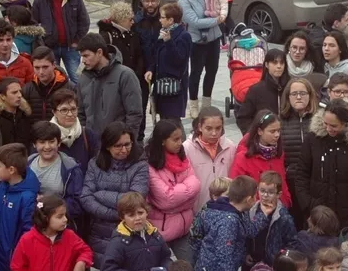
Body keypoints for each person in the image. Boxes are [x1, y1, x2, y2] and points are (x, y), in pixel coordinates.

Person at [294, 99, 348, 226]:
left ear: (345, 123)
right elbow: (301, 174)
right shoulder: (313, 139)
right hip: (317, 213)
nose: (328, 129)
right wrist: (308, 204)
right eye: (325, 124)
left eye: (334, 126)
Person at [80, 122, 149, 261]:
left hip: (130, 231)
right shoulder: (95, 164)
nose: (124, 150)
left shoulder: (140, 166)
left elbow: (134, 200)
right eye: (118, 146)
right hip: (99, 233)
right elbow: (86, 197)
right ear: (108, 146)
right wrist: (118, 213)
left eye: (127, 144)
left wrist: (100, 195)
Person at [101, 192, 173, 271]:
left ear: (146, 212)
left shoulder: (154, 234)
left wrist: (167, 270)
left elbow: (165, 257)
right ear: (122, 218)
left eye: (140, 213)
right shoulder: (118, 242)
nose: (137, 218)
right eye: (131, 215)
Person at [147, 118, 199, 261]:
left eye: (180, 138)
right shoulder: (150, 165)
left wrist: (176, 196)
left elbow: (196, 187)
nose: (179, 143)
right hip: (159, 231)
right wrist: (183, 197)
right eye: (175, 139)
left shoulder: (182, 157)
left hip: (183, 228)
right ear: (162, 141)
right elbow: (166, 200)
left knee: (191, 268)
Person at [77, 33, 144, 138]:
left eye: (86, 56)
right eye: (81, 56)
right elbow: (80, 113)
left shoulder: (125, 75)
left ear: (99, 52)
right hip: (92, 145)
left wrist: (126, 142)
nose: (83, 61)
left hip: (118, 144)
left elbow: (134, 113)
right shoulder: (83, 78)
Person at [31, 0, 90, 85]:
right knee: (53, 80)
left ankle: (79, 101)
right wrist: (42, 44)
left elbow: (84, 21)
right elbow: (33, 23)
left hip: (71, 47)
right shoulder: (40, 0)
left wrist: (77, 40)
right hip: (50, 48)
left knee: (76, 79)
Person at [178, 0, 223, 118]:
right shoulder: (183, 1)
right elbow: (195, 21)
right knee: (196, 73)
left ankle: (207, 103)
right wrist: (216, 21)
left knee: (212, 70)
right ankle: (193, 104)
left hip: (213, 38)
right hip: (197, 41)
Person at [98, 2, 147, 133]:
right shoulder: (106, 36)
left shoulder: (132, 34)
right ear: (122, 20)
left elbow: (139, 55)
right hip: (115, 82)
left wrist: (137, 74)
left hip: (133, 79)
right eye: (130, 19)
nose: (133, 22)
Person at [230, 111, 292, 207]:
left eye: (278, 131)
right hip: (253, 213)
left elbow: (282, 182)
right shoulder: (243, 157)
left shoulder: (278, 155)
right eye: (272, 131)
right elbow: (237, 191)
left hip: (279, 210)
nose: (277, 135)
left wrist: (286, 201)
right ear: (260, 131)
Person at [184, 106, 235, 213]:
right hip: (197, 210)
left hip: (225, 209)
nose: (214, 133)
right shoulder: (187, 148)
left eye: (218, 128)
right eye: (209, 128)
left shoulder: (229, 147)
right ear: (200, 127)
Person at [146, 2, 192, 121]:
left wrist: (169, 42)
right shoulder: (164, 33)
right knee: (164, 121)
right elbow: (157, 55)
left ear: (171, 20)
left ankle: (181, 140)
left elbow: (179, 61)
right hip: (161, 86)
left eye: (162, 17)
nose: (160, 20)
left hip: (174, 88)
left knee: (172, 122)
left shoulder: (183, 36)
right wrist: (151, 69)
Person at [236, 49, 288, 134]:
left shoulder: (290, 87)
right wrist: (254, 135)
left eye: (282, 63)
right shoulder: (256, 90)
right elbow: (243, 118)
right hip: (263, 139)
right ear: (267, 64)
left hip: (287, 138)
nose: (279, 66)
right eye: (275, 63)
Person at [50, 89, 99, 173]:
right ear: (54, 112)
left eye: (73, 109)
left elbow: (96, 167)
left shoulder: (88, 135)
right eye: (64, 110)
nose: (70, 114)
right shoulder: (46, 136)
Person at [26, 47, 76, 122]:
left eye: (45, 67)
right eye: (37, 68)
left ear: (54, 65)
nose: (41, 72)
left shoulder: (70, 88)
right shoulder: (28, 89)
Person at [280, 77, 317, 177]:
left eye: (303, 93)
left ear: (310, 96)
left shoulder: (320, 118)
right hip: (290, 176)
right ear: (288, 97)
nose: (299, 97)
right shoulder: (279, 121)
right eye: (294, 94)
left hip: (315, 176)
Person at [0, 77, 33, 150]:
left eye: (20, 91)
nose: (19, 95)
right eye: (14, 92)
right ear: (2, 96)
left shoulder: (24, 115)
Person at [133, 0, 162, 76]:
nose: (150, 4)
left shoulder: (164, 19)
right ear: (142, 1)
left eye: (153, 1)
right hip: (143, 67)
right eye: (147, 1)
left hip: (161, 65)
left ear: (158, 1)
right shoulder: (136, 21)